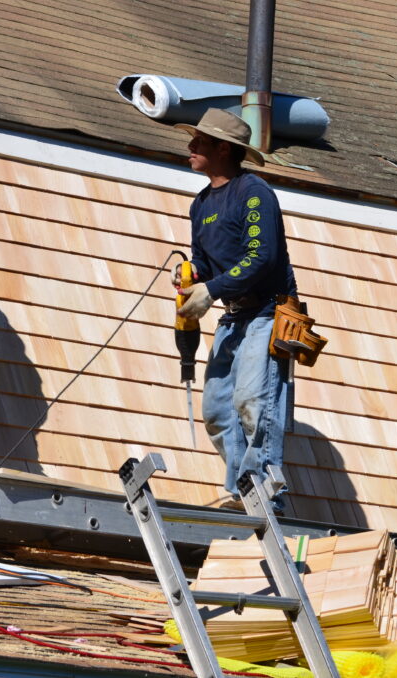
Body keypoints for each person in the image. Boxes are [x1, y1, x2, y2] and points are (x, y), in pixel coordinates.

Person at [174, 108, 297, 513]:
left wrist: (211, 289)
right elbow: (207, 265)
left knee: (252, 400)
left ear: (223, 148)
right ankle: (243, 490)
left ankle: (265, 491)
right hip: (235, 315)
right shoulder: (201, 204)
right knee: (217, 409)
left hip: (268, 311)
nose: (190, 146)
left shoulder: (253, 191)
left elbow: (261, 257)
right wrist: (192, 278)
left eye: (200, 141)